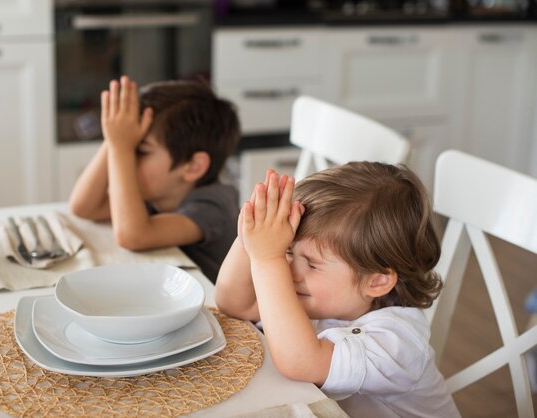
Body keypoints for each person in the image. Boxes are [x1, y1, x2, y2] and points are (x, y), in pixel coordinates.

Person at [215, 164, 460, 418]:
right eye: (288, 251)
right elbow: (236, 304)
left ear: (376, 281)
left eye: (311, 263)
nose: (289, 271)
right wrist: (250, 236)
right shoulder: (322, 300)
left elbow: (301, 362)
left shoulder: (397, 342)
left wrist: (268, 258)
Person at [69, 75, 241, 282]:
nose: (125, 162)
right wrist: (114, 138)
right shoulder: (159, 193)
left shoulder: (213, 207)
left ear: (193, 167)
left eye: (140, 151)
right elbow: (84, 207)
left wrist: (121, 147)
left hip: (215, 311)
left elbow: (133, 236)